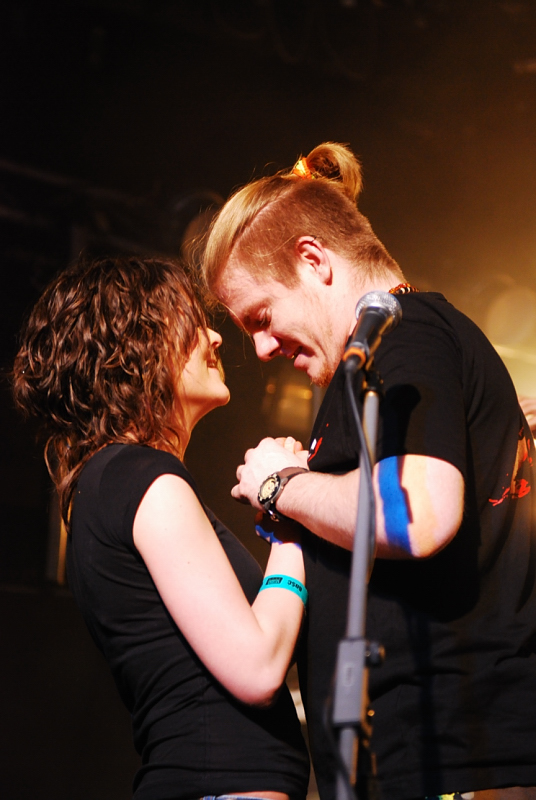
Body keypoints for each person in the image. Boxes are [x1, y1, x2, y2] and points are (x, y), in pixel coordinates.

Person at [200, 143, 536, 800]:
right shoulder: (384, 361)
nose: (263, 349)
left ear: (313, 260)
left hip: (461, 759)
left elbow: (415, 512)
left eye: (261, 319)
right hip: (424, 758)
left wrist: (280, 483)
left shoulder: (405, 334)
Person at [12, 255, 310, 800]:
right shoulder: (141, 476)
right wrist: (292, 513)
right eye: (191, 322)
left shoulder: (107, 483)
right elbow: (259, 666)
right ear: (137, 347)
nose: (216, 337)